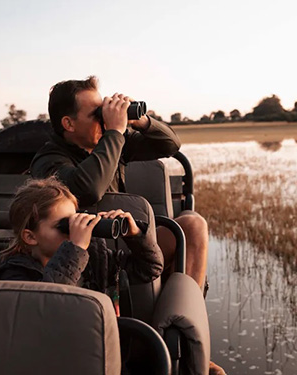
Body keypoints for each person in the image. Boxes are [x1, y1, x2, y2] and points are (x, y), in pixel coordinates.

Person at [30, 76, 210, 292]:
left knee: (193, 224)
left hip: (127, 241)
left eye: (103, 111)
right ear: (68, 123)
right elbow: (89, 190)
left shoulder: (112, 143)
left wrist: (141, 121)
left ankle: (186, 313)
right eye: (97, 115)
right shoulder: (49, 160)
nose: (104, 120)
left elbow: (170, 146)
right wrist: (115, 132)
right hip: (85, 254)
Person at [0, 177, 163, 302]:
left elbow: (149, 269)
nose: (73, 231)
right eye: (65, 226)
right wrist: (75, 249)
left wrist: (135, 236)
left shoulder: (95, 259)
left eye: (75, 220)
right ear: (30, 236)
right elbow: (47, 303)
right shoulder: (14, 277)